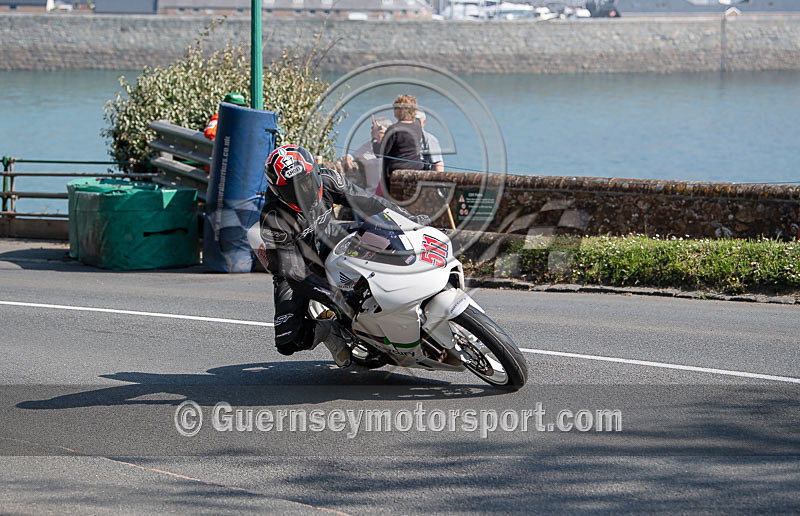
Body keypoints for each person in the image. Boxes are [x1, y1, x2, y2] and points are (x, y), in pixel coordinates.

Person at [256, 144, 430, 367]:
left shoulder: (329, 180)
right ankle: (330, 331)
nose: (302, 192)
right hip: (295, 267)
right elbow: (295, 274)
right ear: (278, 191)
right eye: (292, 189)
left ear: (315, 173)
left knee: (381, 234)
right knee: (288, 341)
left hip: (328, 237)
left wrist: (409, 220)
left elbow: (369, 203)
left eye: (306, 182)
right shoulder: (274, 219)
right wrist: (333, 297)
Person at [374, 94, 425, 197]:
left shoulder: (394, 129)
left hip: (395, 175)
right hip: (416, 170)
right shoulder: (417, 126)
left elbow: (380, 152)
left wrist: (376, 139)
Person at [342, 117, 392, 197]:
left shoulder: (392, 146)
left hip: (389, 195)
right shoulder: (368, 146)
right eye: (372, 128)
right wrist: (347, 157)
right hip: (371, 194)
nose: (373, 130)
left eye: (377, 128)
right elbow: (352, 155)